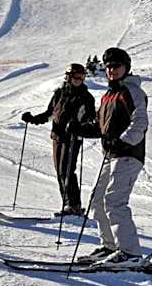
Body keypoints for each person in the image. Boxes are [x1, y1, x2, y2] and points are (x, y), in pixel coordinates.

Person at [70, 47, 150, 268]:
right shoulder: (108, 95)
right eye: (108, 67)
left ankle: (130, 253)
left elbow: (140, 122)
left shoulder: (132, 92)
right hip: (111, 154)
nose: (111, 70)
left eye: (116, 66)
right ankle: (110, 246)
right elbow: (100, 126)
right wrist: (80, 129)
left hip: (128, 154)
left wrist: (124, 140)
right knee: (97, 201)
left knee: (115, 201)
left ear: (126, 67)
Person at [21, 63, 96, 215]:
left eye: (82, 77)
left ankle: (73, 205)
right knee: (60, 171)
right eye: (76, 76)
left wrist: (79, 125)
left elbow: (90, 118)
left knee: (67, 170)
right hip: (57, 137)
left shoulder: (86, 97)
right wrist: (33, 119)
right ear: (68, 77)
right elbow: (50, 113)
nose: (79, 80)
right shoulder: (59, 94)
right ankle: (68, 204)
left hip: (73, 138)